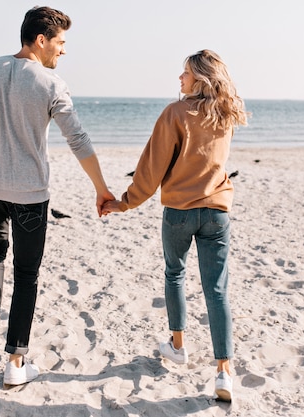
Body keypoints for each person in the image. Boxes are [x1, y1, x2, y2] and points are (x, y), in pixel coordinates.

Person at [0, 6, 114, 387]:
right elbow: (77, 139)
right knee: (28, 274)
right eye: (60, 42)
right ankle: (16, 363)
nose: (63, 51)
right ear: (41, 40)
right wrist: (101, 188)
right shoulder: (51, 84)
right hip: (31, 193)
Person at [103, 49, 249, 401]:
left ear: (199, 77)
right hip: (216, 212)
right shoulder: (226, 114)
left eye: (185, 73)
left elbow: (151, 168)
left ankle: (178, 345)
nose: (179, 79)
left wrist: (125, 201)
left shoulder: (175, 113)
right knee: (216, 290)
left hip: (180, 212)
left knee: (175, 275)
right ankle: (224, 372)